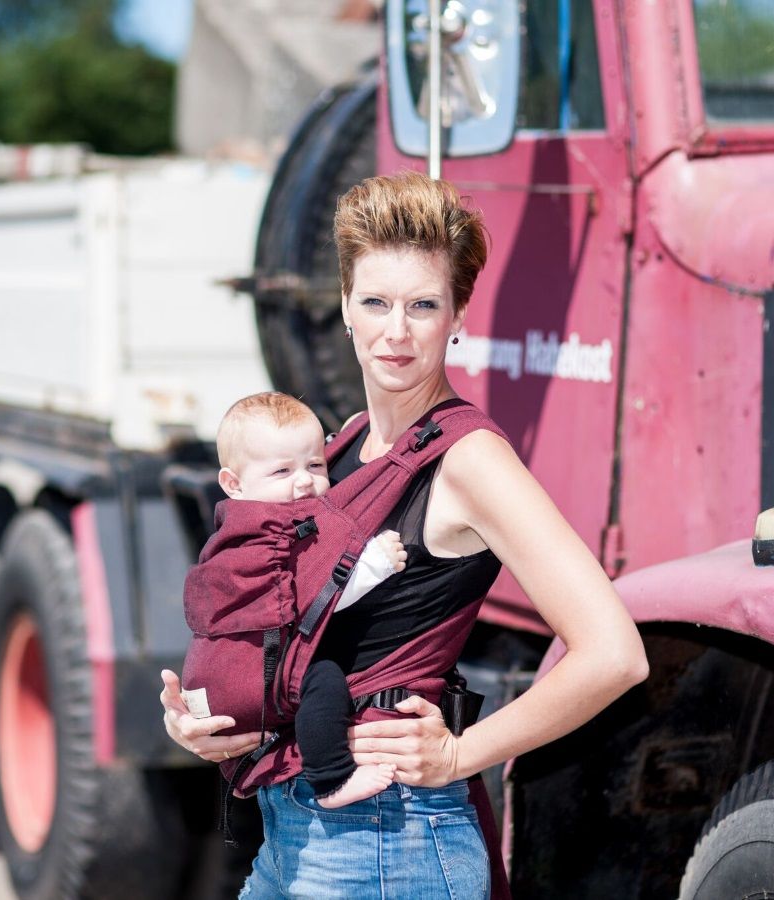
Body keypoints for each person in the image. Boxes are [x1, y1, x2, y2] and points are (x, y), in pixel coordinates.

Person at [161, 171, 649, 899]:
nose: (396, 331)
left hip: (389, 840)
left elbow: (614, 654)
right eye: (376, 303)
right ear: (344, 311)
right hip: (292, 832)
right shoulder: (334, 452)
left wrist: (459, 755)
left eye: (422, 305)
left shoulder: (469, 459)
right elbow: (282, 628)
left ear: (456, 316)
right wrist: (210, 720)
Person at [192, 390, 408, 807]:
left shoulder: (239, 530)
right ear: (233, 484)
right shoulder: (264, 535)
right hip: (246, 674)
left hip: (220, 680)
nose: (305, 481)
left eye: (314, 464)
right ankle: (331, 781)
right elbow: (307, 604)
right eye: (282, 471)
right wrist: (371, 569)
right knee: (324, 680)